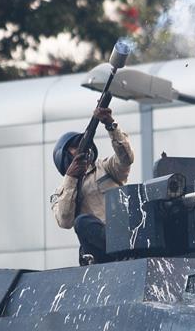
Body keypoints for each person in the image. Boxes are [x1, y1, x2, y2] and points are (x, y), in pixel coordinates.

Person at [50, 107, 134, 264]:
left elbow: (126, 158)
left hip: (125, 238)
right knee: (82, 222)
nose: (82, 149)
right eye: (75, 147)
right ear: (65, 157)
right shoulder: (60, 193)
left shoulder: (105, 167)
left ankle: (124, 252)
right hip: (98, 253)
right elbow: (65, 220)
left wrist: (110, 124)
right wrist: (71, 178)